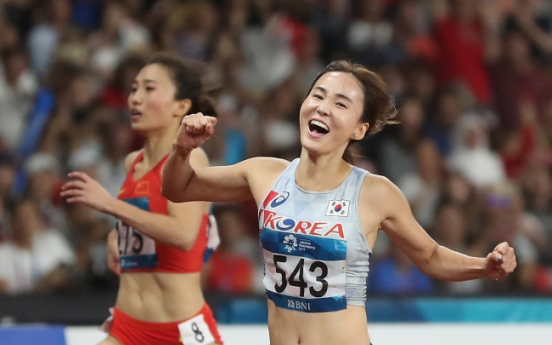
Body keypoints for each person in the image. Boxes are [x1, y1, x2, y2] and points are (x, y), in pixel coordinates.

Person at [161, 60, 517, 345]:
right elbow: (179, 189)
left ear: (359, 129)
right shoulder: (264, 174)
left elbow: (431, 256)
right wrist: (182, 150)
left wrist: (484, 266)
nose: (323, 107)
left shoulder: (375, 193)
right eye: (318, 95)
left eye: (340, 103)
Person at [61, 52, 223, 345]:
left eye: (149, 88)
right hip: (127, 328)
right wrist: (117, 235)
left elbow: (184, 234)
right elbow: (144, 217)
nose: (135, 98)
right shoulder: (132, 162)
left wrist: (111, 205)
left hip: (180, 331)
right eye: (134, 89)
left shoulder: (192, 159)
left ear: (181, 106)